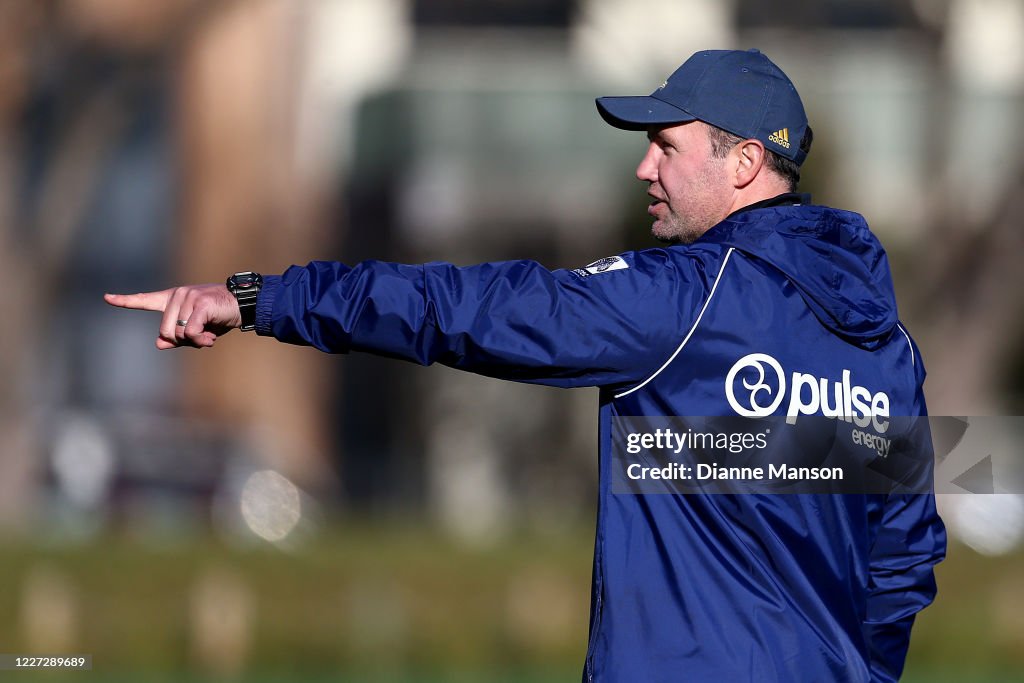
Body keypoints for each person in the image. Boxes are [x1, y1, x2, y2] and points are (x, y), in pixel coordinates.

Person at [105, 49, 946, 682]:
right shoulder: (888, 345)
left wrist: (262, 299)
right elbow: (902, 564)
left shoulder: (687, 298)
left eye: (666, 145)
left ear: (744, 163)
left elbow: (469, 310)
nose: (644, 166)